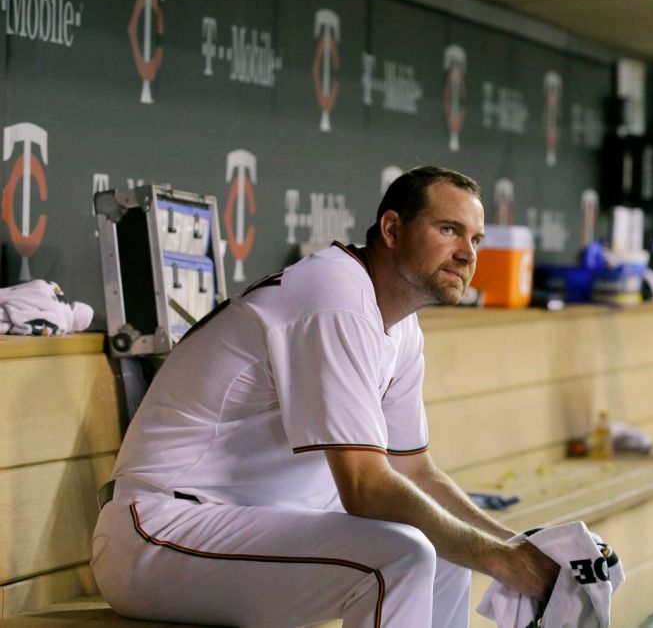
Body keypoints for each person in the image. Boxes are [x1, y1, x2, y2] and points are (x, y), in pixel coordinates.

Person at [91, 166, 558, 628]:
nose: (467, 254)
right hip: (162, 534)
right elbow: (366, 487)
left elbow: (413, 471)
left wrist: (518, 548)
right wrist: (502, 559)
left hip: (251, 530)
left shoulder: (400, 324)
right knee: (402, 555)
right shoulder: (333, 295)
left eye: (475, 239)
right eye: (449, 230)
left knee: (449, 545)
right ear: (393, 229)